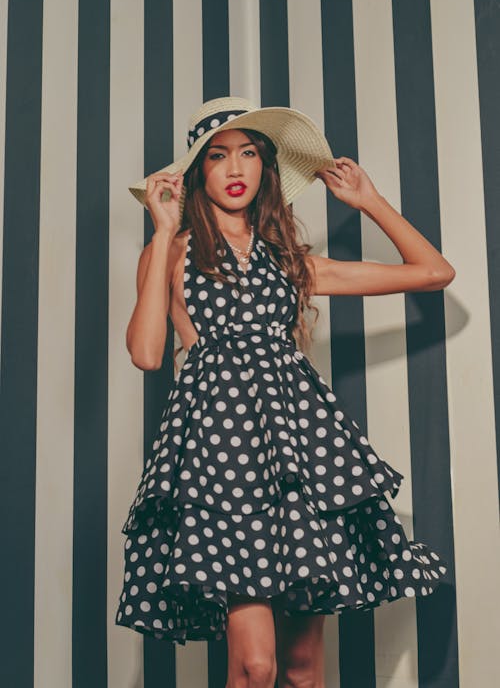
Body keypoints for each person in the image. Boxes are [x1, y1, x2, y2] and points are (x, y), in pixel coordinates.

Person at [116, 97, 455, 688]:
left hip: (299, 453)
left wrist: (368, 201)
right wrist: (164, 228)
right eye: (218, 156)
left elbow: (433, 272)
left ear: (267, 169)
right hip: (220, 457)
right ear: (198, 173)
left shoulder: (288, 260)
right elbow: (147, 354)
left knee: (301, 671)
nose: (235, 168)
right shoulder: (172, 250)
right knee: (256, 666)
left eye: (249, 153)